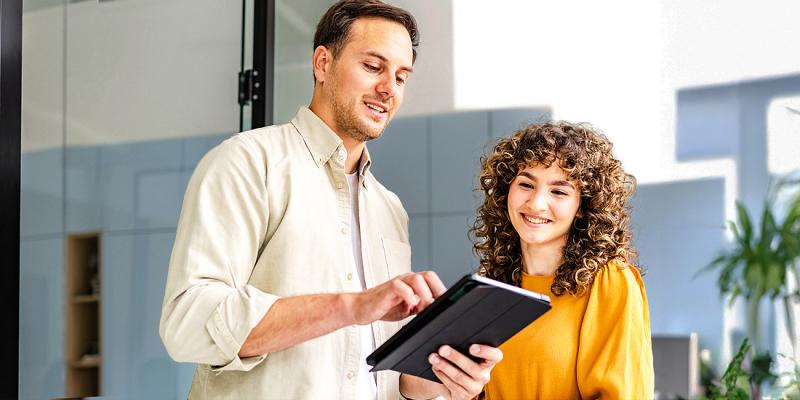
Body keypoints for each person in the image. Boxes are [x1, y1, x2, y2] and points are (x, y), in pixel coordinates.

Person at [159, 1, 501, 399]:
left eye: (401, 76)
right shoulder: (247, 163)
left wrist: (445, 377)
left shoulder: (389, 209)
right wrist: (350, 307)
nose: (388, 88)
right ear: (323, 64)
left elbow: (387, 382)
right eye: (373, 67)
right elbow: (188, 324)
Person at [470, 121, 654, 399]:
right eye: (526, 184)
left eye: (559, 191)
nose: (536, 203)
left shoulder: (610, 282)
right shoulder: (492, 286)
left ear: (583, 207)